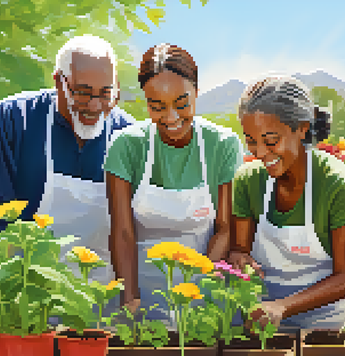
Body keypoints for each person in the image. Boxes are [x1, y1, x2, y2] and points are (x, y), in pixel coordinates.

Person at [0, 35, 135, 292]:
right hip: (25, 291)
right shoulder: (14, 119)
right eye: (82, 92)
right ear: (58, 81)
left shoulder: (127, 135)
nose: (95, 106)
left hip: (103, 295)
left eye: (106, 94)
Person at [104, 43, 244, 320]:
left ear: (196, 91)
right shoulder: (127, 145)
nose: (171, 118)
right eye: (157, 107)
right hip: (139, 287)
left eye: (182, 104)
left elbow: (225, 229)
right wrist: (130, 299)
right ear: (145, 100)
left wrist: (196, 293)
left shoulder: (222, 144)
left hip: (202, 286)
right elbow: (122, 231)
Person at [228, 75, 345, 330]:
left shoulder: (338, 184)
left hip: (329, 324)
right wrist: (240, 259)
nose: (259, 153)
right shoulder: (248, 180)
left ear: (302, 128)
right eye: (251, 141)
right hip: (264, 322)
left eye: (271, 141)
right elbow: (239, 249)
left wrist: (283, 306)